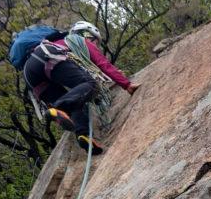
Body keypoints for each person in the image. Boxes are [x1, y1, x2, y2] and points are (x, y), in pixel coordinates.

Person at [23, 20, 139, 156]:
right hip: (46, 56)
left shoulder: (60, 43)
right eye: (96, 42)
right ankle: (59, 107)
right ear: (88, 35)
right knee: (91, 84)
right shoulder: (77, 40)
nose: (96, 46)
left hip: (29, 73)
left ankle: (84, 137)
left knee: (76, 99)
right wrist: (126, 84)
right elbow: (103, 64)